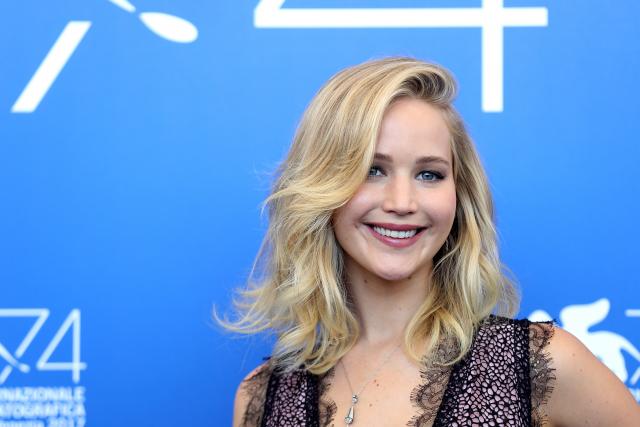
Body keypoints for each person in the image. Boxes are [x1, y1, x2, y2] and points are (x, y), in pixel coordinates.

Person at [221, 57, 640, 426]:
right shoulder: (261, 397)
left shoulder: (542, 365)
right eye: (372, 170)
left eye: (429, 174)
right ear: (323, 185)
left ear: (459, 196)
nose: (402, 202)